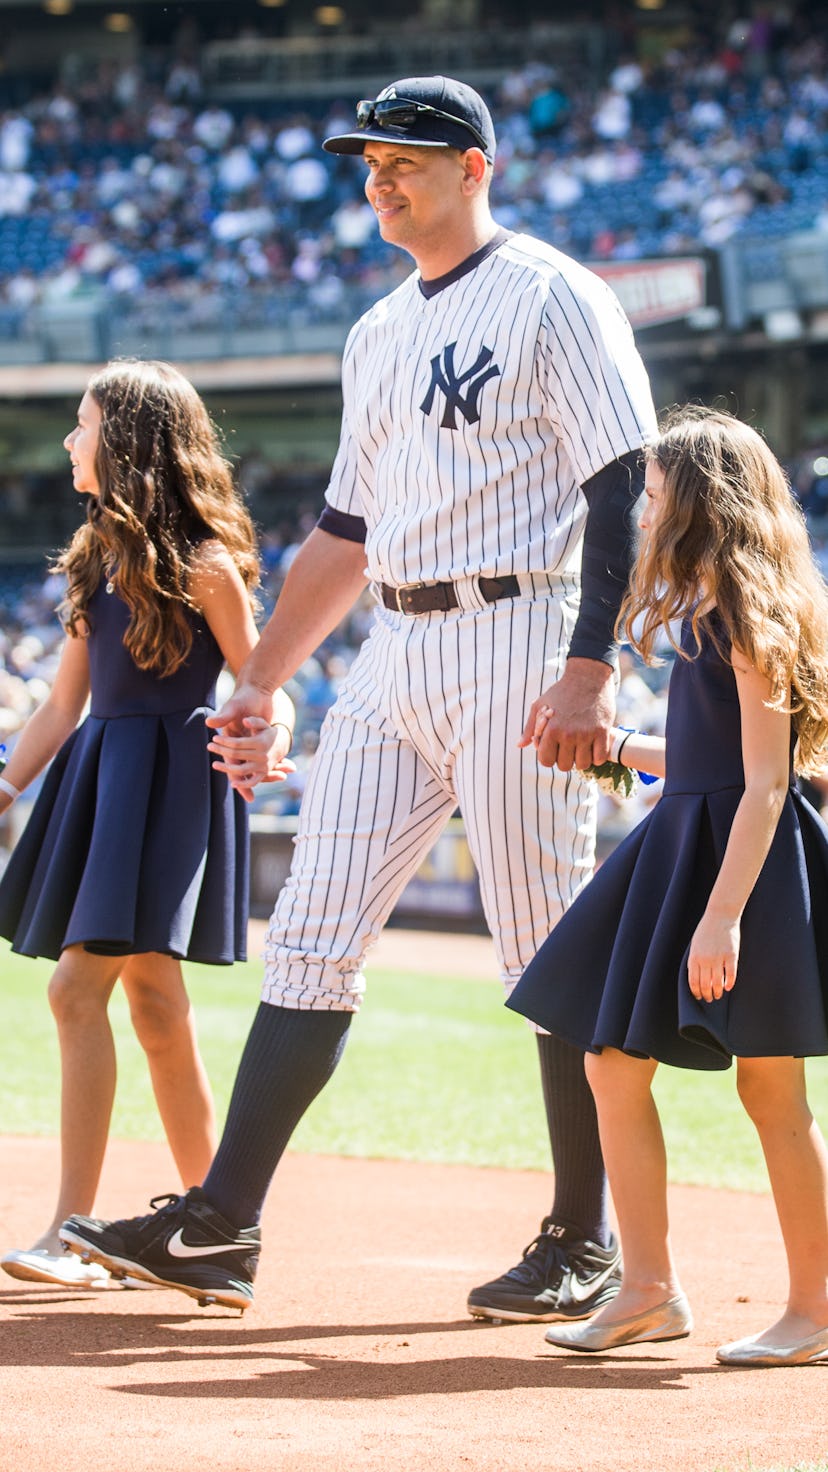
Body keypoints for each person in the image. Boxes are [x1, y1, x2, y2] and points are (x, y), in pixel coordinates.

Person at [59, 76, 657, 1317]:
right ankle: (222, 1222)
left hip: (522, 631)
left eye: (411, 159)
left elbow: (624, 485)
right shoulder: (377, 328)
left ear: (476, 168)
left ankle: (583, 1236)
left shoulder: (556, 293)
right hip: (397, 643)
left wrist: (591, 664)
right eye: (372, 160)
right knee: (316, 927)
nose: (382, 178)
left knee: (548, 940)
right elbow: (344, 527)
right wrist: (261, 678)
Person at [508, 408, 828, 1367]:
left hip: (743, 863)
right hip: (688, 839)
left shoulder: (748, 612)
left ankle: (815, 1306)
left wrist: (723, 916)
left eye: (652, 495)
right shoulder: (706, 608)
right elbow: (708, 758)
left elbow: (768, 783)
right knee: (609, 1061)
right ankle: (647, 1290)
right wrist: (612, 751)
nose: (641, 513)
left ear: (699, 502)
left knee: (773, 1092)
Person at [0, 359, 294, 1289]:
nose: (69, 443)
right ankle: (218, 1236)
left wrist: (267, 736)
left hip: (174, 787)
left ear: (124, 441)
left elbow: (263, 687)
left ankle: (66, 1233)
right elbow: (60, 706)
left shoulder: (208, 563)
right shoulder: (93, 557)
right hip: (102, 776)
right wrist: (4, 787)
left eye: (81, 426)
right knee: (158, 1011)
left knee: (75, 993)